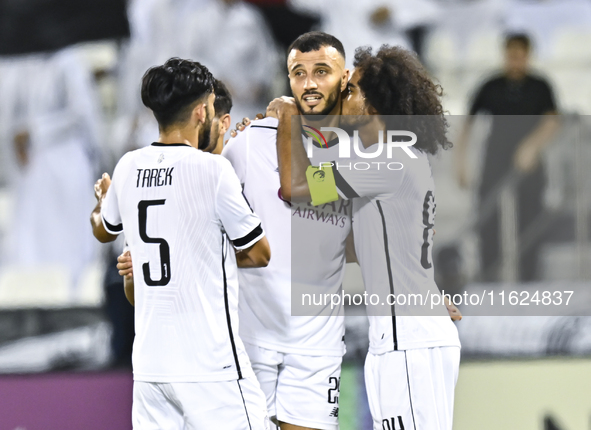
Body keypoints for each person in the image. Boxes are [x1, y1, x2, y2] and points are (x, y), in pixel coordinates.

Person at [269, 45, 461, 430]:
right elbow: (363, 245)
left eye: (352, 90)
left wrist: (288, 118)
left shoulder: (387, 159)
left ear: (375, 105)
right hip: (407, 336)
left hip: (406, 341)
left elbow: (294, 185)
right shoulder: (395, 158)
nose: (343, 96)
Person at [90, 58, 270, 429]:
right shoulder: (212, 169)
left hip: (152, 370)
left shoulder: (127, 166)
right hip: (210, 367)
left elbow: (103, 229)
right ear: (204, 110)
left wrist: (101, 202)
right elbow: (259, 251)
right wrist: (197, 255)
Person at [225, 32, 352, 430]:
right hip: (252, 338)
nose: (309, 83)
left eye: (321, 72)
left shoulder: (362, 152)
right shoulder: (247, 143)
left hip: (317, 343)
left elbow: (302, 190)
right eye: (298, 73)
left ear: (344, 78)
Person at [455, 33, 560, 282]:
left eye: (520, 56)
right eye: (511, 56)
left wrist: (532, 146)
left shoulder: (540, 86)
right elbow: (467, 125)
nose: (516, 61)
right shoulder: (491, 86)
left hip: (528, 163)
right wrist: (460, 163)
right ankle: (489, 279)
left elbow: (553, 121)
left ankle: (529, 281)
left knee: (530, 220)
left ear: (528, 56)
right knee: (488, 220)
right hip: (495, 159)